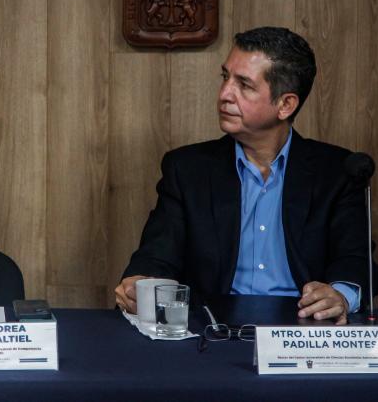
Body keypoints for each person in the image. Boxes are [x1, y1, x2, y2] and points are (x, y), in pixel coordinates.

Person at [115, 27, 367, 325]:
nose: (224, 94)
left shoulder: (337, 171)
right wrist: (140, 282)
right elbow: (157, 254)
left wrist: (339, 296)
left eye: (244, 85)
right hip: (212, 329)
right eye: (225, 77)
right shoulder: (187, 169)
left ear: (285, 104)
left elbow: (355, 259)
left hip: (302, 329)